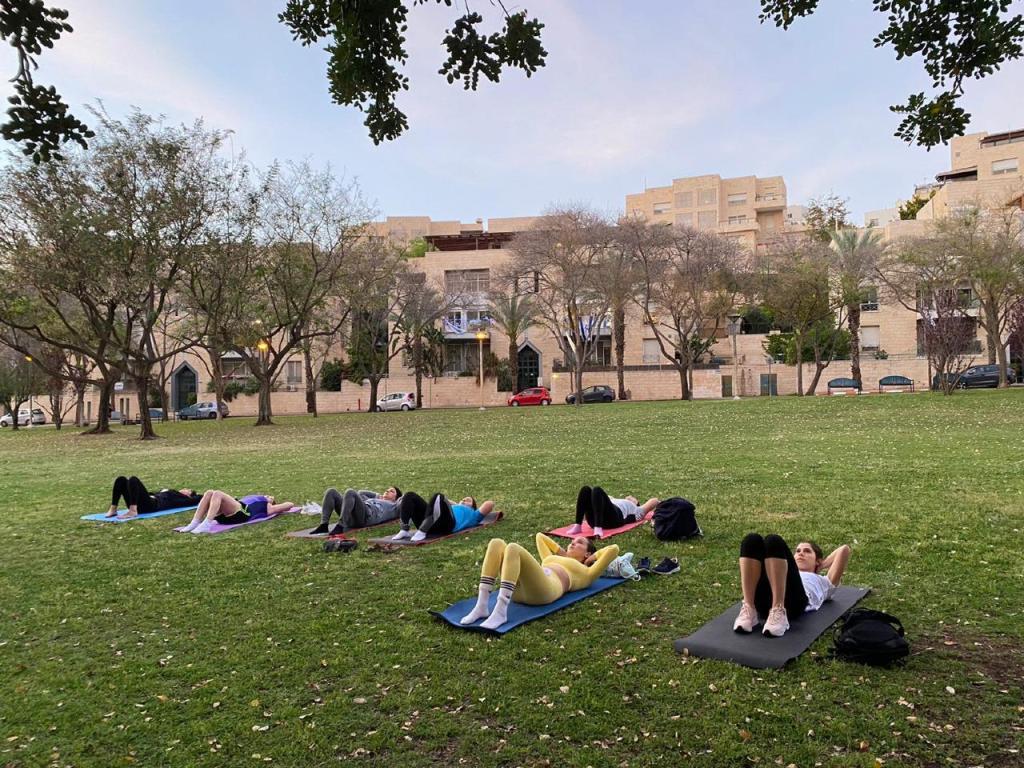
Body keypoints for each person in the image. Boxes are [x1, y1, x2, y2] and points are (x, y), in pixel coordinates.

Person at [459, 533, 621, 630]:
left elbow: (613, 549)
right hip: (520, 590)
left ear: (587, 553)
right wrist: (562, 552)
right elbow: (540, 537)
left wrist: (591, 558)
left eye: (580, 543)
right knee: (497, 543)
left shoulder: (587, 573)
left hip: (545, 591)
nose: (573, 542)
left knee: (513, 548)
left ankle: (500, 611)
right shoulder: (551, 558)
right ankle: (482, 606)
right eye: (572, 540)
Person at [733, 533, 851, 638]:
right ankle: (749, 608)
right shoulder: (782, 567)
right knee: (751, 540)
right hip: (764, 602)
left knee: (773, 540)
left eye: (807, 551)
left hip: (793, 603)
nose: (801, 554)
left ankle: (778, 609)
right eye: (798, 551)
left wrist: (822, 564)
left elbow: (844, 550)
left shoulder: (824, 581)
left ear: (817, 560)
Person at [392, 492, 495, 542]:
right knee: (410, 495)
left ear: (473, 506)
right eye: (463, 499)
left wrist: (476, 510)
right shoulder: (453, 506)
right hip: (430, 521)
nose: (464, 500)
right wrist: (455, 504)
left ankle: (422, 531)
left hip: (446, 525)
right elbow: (435, 505)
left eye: (468, 500)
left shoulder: (473, 515)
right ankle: (404, 529)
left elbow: (489, 504)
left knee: (439, 496)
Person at [180, 490, 295, 534]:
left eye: (270, 497)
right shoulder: (255, 498)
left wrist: (273, 503)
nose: (268, 495)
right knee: (209, 493)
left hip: (242, 514)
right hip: (227, 514)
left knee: (217, 493)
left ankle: (207, 524)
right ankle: (194, 523)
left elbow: (290, 505)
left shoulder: (268, 507)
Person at [566, 485, 660, 538]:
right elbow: (598, 500)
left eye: (633, 499)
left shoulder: (636, 510)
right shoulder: (612, 499)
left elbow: (654, 501)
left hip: (614, 519)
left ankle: (598, 529)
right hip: (594, 520)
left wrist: (661, 505)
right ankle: (578, 525)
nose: (630, 497)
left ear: (637, 503)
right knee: (585, 489)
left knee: (597, 490)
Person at [310, 486, 403, 535]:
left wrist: (398, 500)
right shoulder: (375, 499)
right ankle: (324, 525)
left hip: (366, 517)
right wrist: (378, 496)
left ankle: (341, 525)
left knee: (350, 492)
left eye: (391, 491)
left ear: (396, 497)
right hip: (353, 515)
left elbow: (404, 500)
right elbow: (361, 493)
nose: (387, 491)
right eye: (387, 489)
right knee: (331, 491)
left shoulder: (393, 506)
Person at [106, 476, 202, 519]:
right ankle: (113, 508)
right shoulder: (166, 491)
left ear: (188, 495)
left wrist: (207, 495)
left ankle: (133, 511)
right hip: (144, 500)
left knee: (133, 479)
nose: (184, 488)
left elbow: (198, 499)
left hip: (151, 506)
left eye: (188, 490)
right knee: (121, 479)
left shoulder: (181, 498)